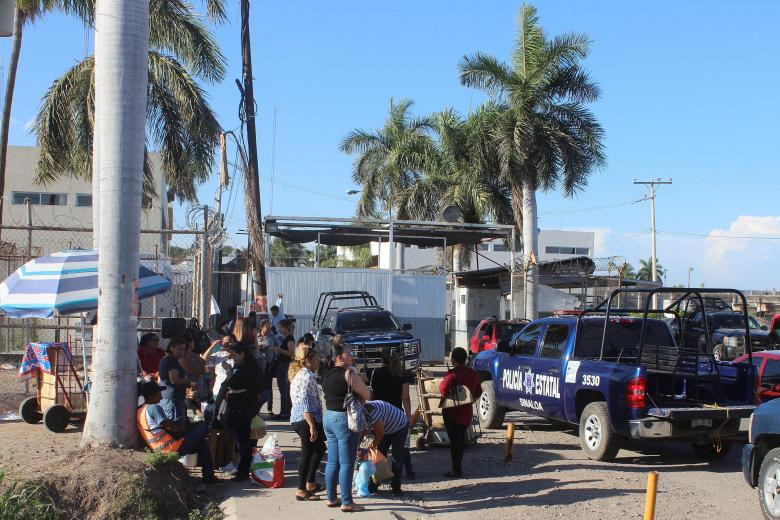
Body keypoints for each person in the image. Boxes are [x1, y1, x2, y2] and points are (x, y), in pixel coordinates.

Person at [322, 344, 371, 512]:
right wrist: (357, 375)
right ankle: (347, 502)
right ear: (339, 357)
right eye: (348, 354)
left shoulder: (326, 373)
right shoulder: (349, 374)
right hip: (345, 420)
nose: (351, 356)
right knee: (347, 463)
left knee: (332, 461)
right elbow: (367, 394)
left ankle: (331, 497)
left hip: (329, 417)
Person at [137, 381, 217, 483]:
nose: (161, 396)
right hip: (171, 448)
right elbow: (170, 426)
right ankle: (209, 477)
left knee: (202, 442)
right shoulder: (154, 408)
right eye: (159, 393)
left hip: (158, 448)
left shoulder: (140, 409)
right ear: (152, 395)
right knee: (203, 426)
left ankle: (209, 477)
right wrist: (182, 429)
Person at [214, 341, 259, 481]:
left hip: (241, 408)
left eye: (234, 355)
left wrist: (228, 373)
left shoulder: (246, 369)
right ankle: (242, 468)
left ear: (242, 354)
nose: (233, 358)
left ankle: (243, 471)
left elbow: (232, 383)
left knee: (243, 440)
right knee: (243, 439)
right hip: (246, 406)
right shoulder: (251, 367)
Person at [289, 344, 326, 501]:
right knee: (307, 452)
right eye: (316, 358)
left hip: (305, 417)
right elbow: (304, 401)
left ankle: (310, 482)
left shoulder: (302, 373)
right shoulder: (306, 375)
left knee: (319, 448)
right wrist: (311, 425)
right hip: (305, 419)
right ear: (308, 360)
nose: (318, 361)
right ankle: (301, 489)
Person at [438, 348, 482, 478]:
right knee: (461, 442)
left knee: (454, 443)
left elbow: (443, 389)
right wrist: (472, 400)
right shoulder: (473, 373)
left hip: (452, 413)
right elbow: (479, 391)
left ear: (453, 360)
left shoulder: (453, 374)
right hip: (466, 413)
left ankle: (456, 469)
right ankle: (458, 467)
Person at [370, 352, 415, 478]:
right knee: (401, 448)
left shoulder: (376, 373)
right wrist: (408, 416)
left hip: (379, 415)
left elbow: (371, 395)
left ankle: (378, 477)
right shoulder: (402, 374)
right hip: (397, 415)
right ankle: (408, 472)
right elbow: (405, 397)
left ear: (381, 360)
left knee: (380, 448)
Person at [364, 400, 409, 496]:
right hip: (386, 427)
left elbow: (380, 434)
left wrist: (370, 448)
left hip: (400, 425)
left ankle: (396, 487)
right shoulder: (358, 415)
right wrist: (359, 447)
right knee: (378, 456)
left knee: (396, 457)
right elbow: (363, 433)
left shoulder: (373, 413)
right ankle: (373, 486)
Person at [157, 336, 188, 428]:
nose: (181, 351)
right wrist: (189, 382)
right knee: (175, 428)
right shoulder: (172, 360)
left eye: (183, 349)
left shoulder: (165, 359)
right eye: (179, 348)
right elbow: (175, 380)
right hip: (173, 399)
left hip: (167, 398)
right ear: (171, 347)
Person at [270, 319, 295, 420]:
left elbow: (292, 353)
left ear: (285, 328)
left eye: (280, 327)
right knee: (283, 390)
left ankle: (285, 412)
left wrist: (279, 349)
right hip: (282, 365)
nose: (279, 329)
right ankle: (284, 411)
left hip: (285, 366)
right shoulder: (285, 338)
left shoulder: (289, 339)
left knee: (285, 390)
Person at [256, 320, 277, 414]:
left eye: (269, 328)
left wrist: (274, 354)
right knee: (258, 386)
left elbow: (277, 346)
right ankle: (257, 408)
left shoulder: (272, 336)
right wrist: (259, 347)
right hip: (258, 365)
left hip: (269, 364)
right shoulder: (256, 337)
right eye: (266, 327)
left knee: (269, 387)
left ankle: (269, 408)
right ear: (261, 327)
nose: (268, 329)